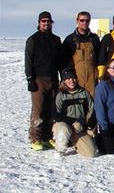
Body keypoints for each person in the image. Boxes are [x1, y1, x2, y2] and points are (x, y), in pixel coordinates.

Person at [25, 11, 62, 150]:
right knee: (38, 110)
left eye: (48, 21)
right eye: (43, 21)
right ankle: (36, 138)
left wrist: (62, 77)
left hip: (53, 79)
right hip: (39, 79)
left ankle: (47, 137)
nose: (46, 24)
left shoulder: (56, 40)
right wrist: (30, 79)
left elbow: (60, 61)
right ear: (39, 23)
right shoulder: (33, 40)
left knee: (51, 109)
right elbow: (28, 61)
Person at [52, 67, 97, 157]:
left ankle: (75, 142)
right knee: (63, 128)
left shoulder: (84, 93)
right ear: (64, 81)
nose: (71, 81)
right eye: (68, 79)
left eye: (73, 78)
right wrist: (73, 121)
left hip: (80, 129)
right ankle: (60, 149)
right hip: (65, 126)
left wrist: (90, 125)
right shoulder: (60, 95)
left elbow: (93, 110)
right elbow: (56, 115)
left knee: (91, 153)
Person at [62, 11, 100, 97]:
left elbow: (98, 58)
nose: (84, 23)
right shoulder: (70, 39)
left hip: (92, 78)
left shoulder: (94, 38)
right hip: (76, 78)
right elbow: (64, 61)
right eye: (82, 20)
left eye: (87, 20)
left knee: (92, 102)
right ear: (77, 21)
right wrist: (68, 77)